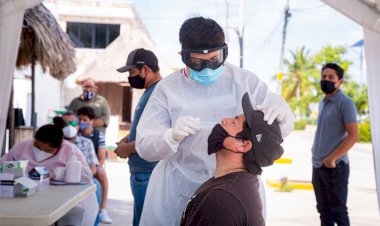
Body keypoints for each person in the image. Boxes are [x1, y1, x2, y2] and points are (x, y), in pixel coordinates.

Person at [135, 16, 294, 225]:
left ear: (224, 51)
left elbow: (274, 132)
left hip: (233, 184)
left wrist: (284, 115)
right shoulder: (168, 89)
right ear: (183, 56)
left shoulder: (245, 82)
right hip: (178, 186)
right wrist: (170, 137)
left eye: (214, 59)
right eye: (198, 62)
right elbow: (145, 146)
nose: (207, 68)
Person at [181, 92, 284, 226]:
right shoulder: (233, 185)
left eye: (234, 122)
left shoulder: (222, 200)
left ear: (243, 145)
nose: (224, 120)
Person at [0, 119, 98, 226]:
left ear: (59, 146)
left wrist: (56, 173)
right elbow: (3, 164)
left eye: (47, 150)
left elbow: (86, 175)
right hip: (24, 197)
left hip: (61, 199)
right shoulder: (22, 147)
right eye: (37, 146)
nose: (40, 152)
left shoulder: (70, 150)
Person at [114, 48, 162, 226]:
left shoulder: (158, 93)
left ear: (145, 69)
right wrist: (127, 139)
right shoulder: (150, 92)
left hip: (147, 172)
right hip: (142, 172)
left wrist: (125, 148)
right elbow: (145, 129)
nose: (130, 77)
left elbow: (157, 135)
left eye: (132, 72)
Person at [311, 63, 358, 226]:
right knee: (324, 212)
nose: (326, 80)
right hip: (317, 166)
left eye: (331, 77)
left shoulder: (346, 103)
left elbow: (353, 136)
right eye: (324, 77)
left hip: (335, 167)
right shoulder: (323, 102)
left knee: (339, 213)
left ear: (340, 82)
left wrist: (332, 159)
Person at [61, 112, 103, 226]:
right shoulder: (54, 144)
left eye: (73, 123)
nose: (69, 126)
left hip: (81, 180)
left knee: (96, 185)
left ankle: (94, 222)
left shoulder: (87, 142)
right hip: (59, 180)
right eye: (65, 123)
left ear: (78, 126)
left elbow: (93, 167)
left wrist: (83, 178)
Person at [77, 106, 112, 224]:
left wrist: (93, 170)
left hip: (94, 165)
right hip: (78, 165)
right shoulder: (74, 134)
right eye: (80, 119)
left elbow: (101, 158)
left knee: (102, 174)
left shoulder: (98, 135)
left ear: (92, 121)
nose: (82, 122)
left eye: (85, 120)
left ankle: (103, 209)